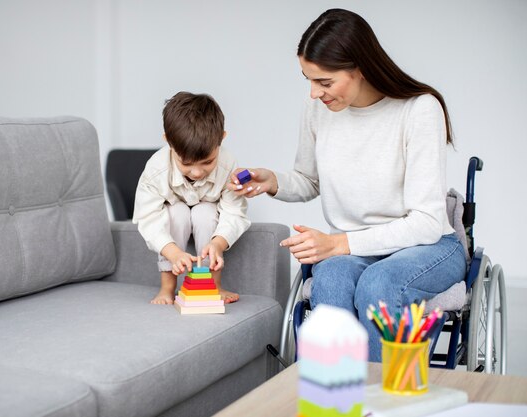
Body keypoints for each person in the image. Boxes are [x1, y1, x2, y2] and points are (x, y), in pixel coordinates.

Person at [228, 9, 466, 361]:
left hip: (427, 246)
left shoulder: (419, 110)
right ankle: (337, 403)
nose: (313, 93)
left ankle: (382, 404)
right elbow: (309, 180)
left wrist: (338, 242)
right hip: (354, 248)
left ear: (361, 69)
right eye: (308, 80)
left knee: (378, 284)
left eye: (324, 82)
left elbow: (427, 223)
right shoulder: (319, 111)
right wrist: (274, 181)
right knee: (332, 281)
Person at [133, 91, 250, 305]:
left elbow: (234, 211)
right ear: (169, 142)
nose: (197, 173)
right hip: (173, 213)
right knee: (177, 213)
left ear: (221, 139)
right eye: (186, 164)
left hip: (207, 212)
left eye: (207, 162)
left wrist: (218, 243)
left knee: (204, 213)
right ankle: (167, 288)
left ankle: (213, 285)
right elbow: (148, 219)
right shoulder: (155, 169)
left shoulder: (228, 164)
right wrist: (174, 253)